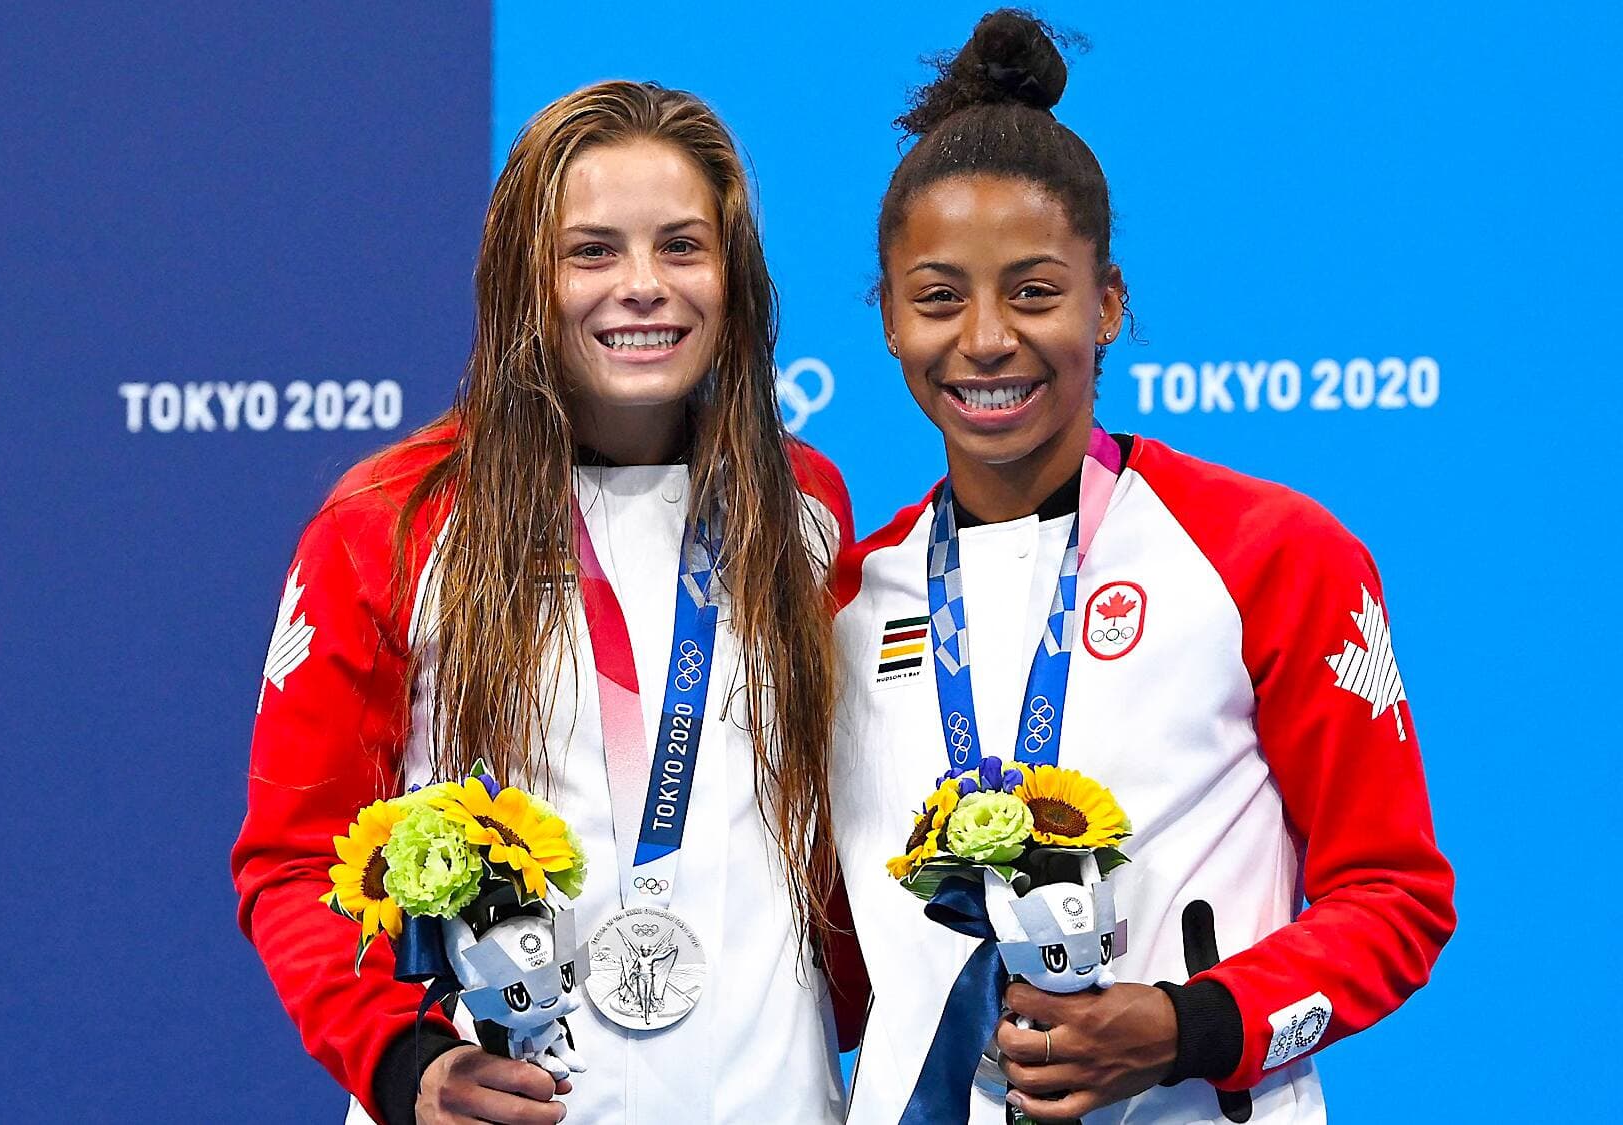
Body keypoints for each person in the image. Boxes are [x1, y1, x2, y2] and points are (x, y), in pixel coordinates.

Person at [828, 12, 1456, 1123]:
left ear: (1106, 302)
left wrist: (1187, 1028)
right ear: (884, 318)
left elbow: (1393, 900)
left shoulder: (1269, 551)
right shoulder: (844, 598)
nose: (983, 339)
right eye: (937, 297)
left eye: (1032, 292)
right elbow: (828, 959)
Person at [233, 80, 859, 1125]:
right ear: (523, 278)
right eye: (593, 251)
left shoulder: (803, 510)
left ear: (734, 277)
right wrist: (399, 1061)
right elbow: (293, 858)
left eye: (681, 247)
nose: (643, 287)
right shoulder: (393, 521)